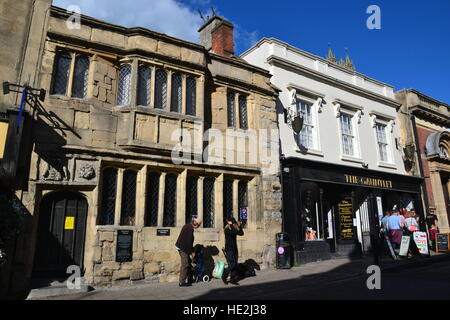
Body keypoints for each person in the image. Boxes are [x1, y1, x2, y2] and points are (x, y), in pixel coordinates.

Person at [175, 217, 202, 287]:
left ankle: (190, 279)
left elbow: (188, 241)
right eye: (198, 225)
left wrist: (191, 251)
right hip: (182, 248)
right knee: (185, 264)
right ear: (196, 224)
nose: (198, 227)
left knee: (189, 263)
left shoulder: (188, 226)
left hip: (184, 247)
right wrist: (191, 252)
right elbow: (188, 242)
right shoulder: (189, 228)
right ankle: (181, 282)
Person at [222, 217, 244, 285]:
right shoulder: (227, 229)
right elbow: (233, 233)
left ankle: (232, 279)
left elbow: (241, 233)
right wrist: (231, 224)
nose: (234, 223)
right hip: (229, 249)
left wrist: (240, 226)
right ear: (229, 222)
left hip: (234, 248)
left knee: (235, 264)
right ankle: (224, 275)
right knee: (232, 264)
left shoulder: (234, 228)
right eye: (233, 222)